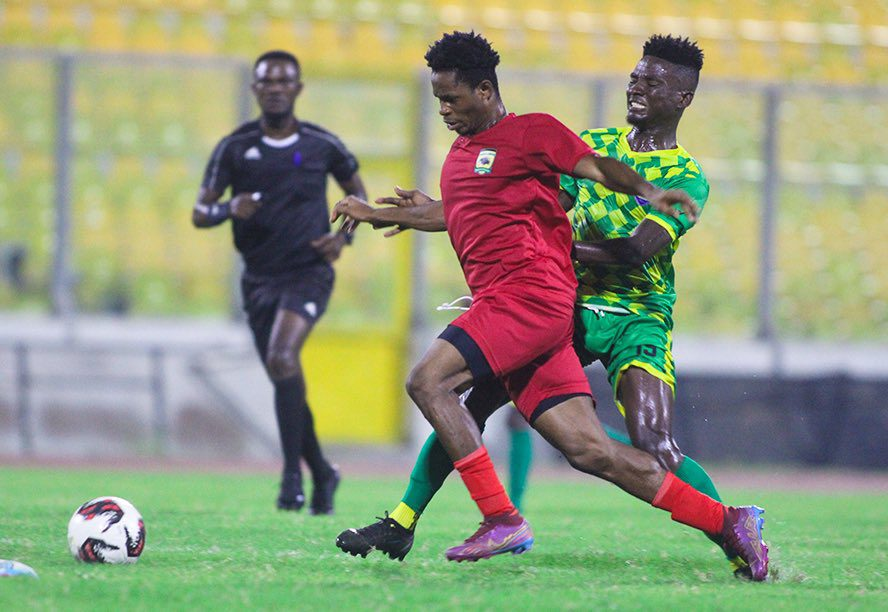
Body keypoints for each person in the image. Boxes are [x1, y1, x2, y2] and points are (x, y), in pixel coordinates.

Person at [330, 31, 768, 580]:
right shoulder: (534, 145)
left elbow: (635, 249)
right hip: (568, 301)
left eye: (653, 81)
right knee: (576, 444)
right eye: (635, 76)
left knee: (437, 383)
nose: (637, 86)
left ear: (682, 97)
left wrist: (549, 245)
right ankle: (731, 523)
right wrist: (388, 213)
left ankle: (501, 517)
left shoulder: (682, 175)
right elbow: (514, 205)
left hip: (629, 312)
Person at [192, 50, 366, 514]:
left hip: (308, 272)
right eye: (266, 81)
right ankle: (323, 472)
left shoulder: (321, 145)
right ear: (255, 89)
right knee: (282, 371)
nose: (275, 88)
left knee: (282, 356)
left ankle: (292, 478)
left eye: (284, 81)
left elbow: (359, 197)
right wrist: (230, 208)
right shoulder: (234, 148)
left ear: (297, 89)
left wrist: (341, 240)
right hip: (259, 280)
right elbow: (200, 212)